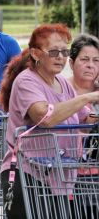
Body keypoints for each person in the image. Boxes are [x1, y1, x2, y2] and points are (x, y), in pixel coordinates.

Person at [0, 24, 99, 219]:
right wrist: (87, 97)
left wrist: (94, 118)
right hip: (26, 174)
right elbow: (45, 117)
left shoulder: (61, 83)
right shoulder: (26, 81)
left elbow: (84, 119)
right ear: (36, 54)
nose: (60, 57)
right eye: (53, 52)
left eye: (64, 51)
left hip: (57, 176)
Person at [67, 34, 99, 218]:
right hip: (66, 174)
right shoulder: (61, 89)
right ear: (71, 63)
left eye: (96, 60)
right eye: (85, 59)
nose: (90, 65)